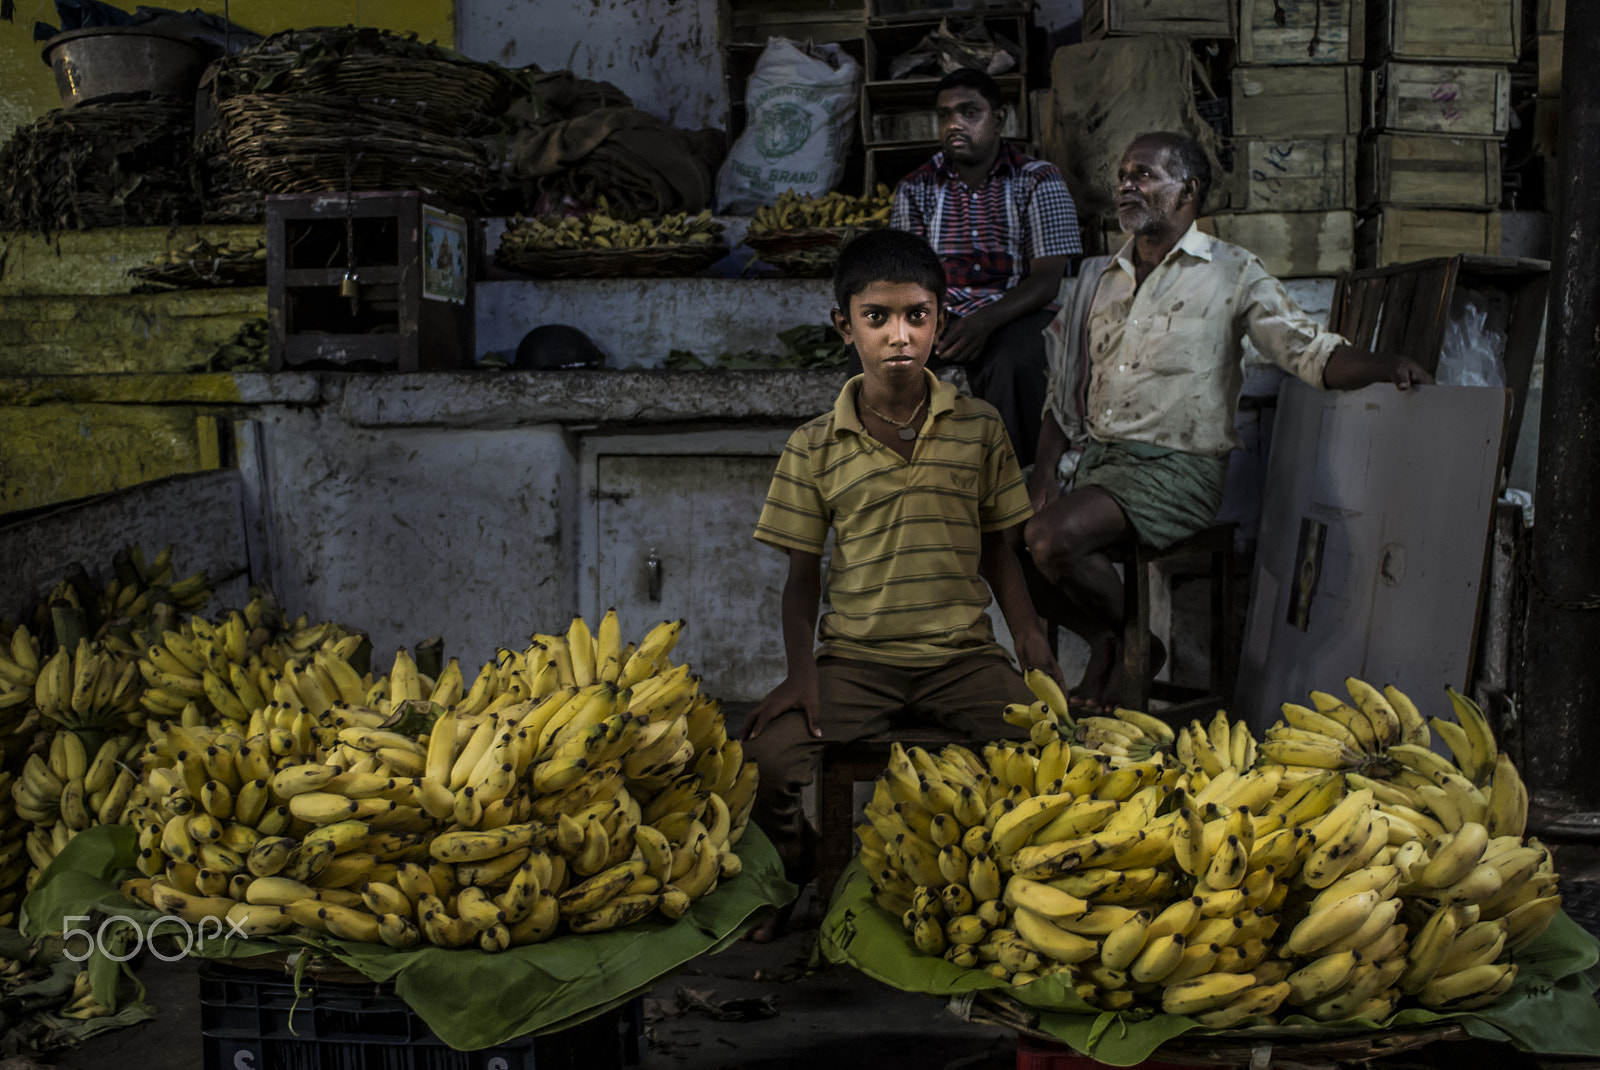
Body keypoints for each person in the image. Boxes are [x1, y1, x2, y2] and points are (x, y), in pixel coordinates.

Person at [1024, 132, 1433, 714]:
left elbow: (1309, 352)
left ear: (1187, 191)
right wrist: (1044, 472)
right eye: (1122, 174)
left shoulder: (1231, 272)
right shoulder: (1097, 278)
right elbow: (1060, 391)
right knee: (1003, 530)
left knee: (1048, 537)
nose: (1126, 185)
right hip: (1095, 461)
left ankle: (1131, 642)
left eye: (1144, 174)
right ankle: (1109, 637)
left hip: (1178, 470)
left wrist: (1386, 365)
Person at [741, 228, 1064, 940]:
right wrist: (802, 674)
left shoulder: (977, 429)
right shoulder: (813, 445)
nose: (899, 336)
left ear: (940, 321)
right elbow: (801, 578)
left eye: (917, 315)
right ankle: (791, 874)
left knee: (1050, 750)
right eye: (877, 317)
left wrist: (1032, 640)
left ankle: (1013, 893)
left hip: (964, 660)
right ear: (843, 325)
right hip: (857, 662)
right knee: (767, 758)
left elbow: (1000, 550)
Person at [887, 67, 1081, 469]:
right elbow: (907, 278)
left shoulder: (1038, 180)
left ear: (999, 117)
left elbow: (1046, 279)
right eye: (944, 115)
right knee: (878, 356)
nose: (955, 124)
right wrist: (936, 322)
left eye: (969, 111)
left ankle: (1016, 484)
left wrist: (985, 322)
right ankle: (893, 479)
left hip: (1014, 309)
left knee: (1017, 360)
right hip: (941, 312)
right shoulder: (916, 188)